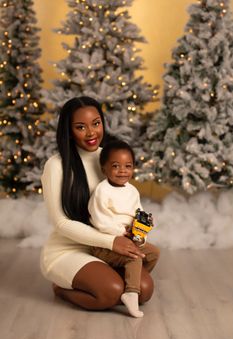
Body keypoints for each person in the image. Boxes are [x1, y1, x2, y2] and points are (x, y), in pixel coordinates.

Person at [40, 96, 160, 312]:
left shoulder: (110, 158)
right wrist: (111, 241)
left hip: (106, 249)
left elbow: (128, 204)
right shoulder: (56, 166)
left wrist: (136, 230)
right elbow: (61, 224)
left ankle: (105, 278)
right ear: (69, 130)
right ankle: (61, 288)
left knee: (145, 290)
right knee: (111, 292)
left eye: (96, 123)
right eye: (80, 127)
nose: (91, 133)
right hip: (68, 250)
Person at [88, 140, 160, 317]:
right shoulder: (101, 191)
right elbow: (100, 221)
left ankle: (129, 279)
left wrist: (141, 228)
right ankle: (131, 294)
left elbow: (138, 212)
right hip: (105, 243)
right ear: (104, 168)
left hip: (129, 237)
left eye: (128, 166)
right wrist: (121, 233)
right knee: (134, 256)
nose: (122, 171)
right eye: (116, 166)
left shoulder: (132, 191)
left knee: (153, 253)